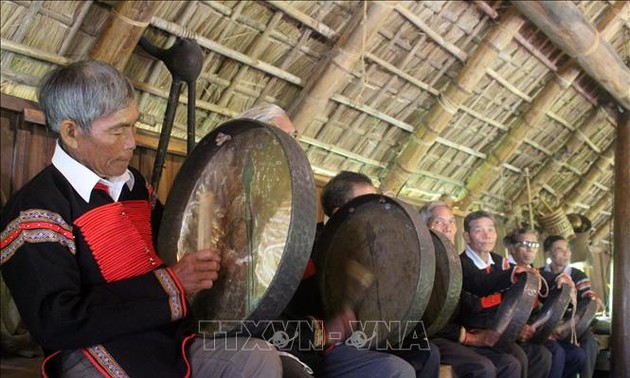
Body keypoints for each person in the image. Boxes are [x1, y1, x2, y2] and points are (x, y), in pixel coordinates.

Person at [0, 60, 282, 377]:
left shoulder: (135, 187)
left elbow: (173, 248)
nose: (132, 141)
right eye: (117, 130)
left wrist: (216, 260)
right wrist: (170, 283)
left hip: (168, 334)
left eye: (133, 125)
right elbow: (56, 321)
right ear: (71, 132)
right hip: (93, 349)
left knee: (257, 358)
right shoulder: (35, 211)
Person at [239, 107, 416, 377]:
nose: (295, 145)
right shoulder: (239, 209)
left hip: (315, 342)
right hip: (266, 343)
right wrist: (321, 331)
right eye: (285, 136)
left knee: (397, 369)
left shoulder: (294, 220)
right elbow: (245, 311)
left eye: (295, 136)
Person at [314, 171, 440, 378]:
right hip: (328, 344)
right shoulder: (310, 246)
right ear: (340, 212)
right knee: (396, 369)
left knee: (427, 353)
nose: (375, 210)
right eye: (366, 203)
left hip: (373, 334)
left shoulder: (375, 246)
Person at [420, 202, 520, 378]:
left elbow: (477, 283)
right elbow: (427, 319)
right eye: (439, 221)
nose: (448, 227)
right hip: (435, 337)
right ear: (424, 226)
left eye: (451, 222)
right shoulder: (423, 262)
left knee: (512, 362)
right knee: (483, 368)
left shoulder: (453, 263)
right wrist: (469, 336)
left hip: (458, 333)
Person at [458, 211, 552, 378]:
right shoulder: (460, 265)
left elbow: (514, 299)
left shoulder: (500, 262)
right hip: (475, 332)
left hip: (502, 331)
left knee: (542, 356)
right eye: (479, 230)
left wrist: (559, 279)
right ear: (467, 236)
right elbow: (478, 289)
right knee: (514, 361)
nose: (486, 235)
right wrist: (510, 276)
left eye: (490, 229)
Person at [505, 229, 585, 378]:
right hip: (509, 332)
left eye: (534, 244)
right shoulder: (503, 269)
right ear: (512, 248)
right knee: (553, 352)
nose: (530, 248)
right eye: (525, 244)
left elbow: (550, 281)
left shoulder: (536, 273)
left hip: (532, 330)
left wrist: (561, 279)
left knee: (576, 354)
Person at [542, 235, 599, 378]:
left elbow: (588, 302)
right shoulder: (540, 274)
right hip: (544, 325)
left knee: (589, 342)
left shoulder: (578, 275)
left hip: (572, 324)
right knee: (556, 352)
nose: (566, 253)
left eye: (567, 249)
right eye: (559, 249)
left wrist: (564, 327)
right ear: (548, 253)